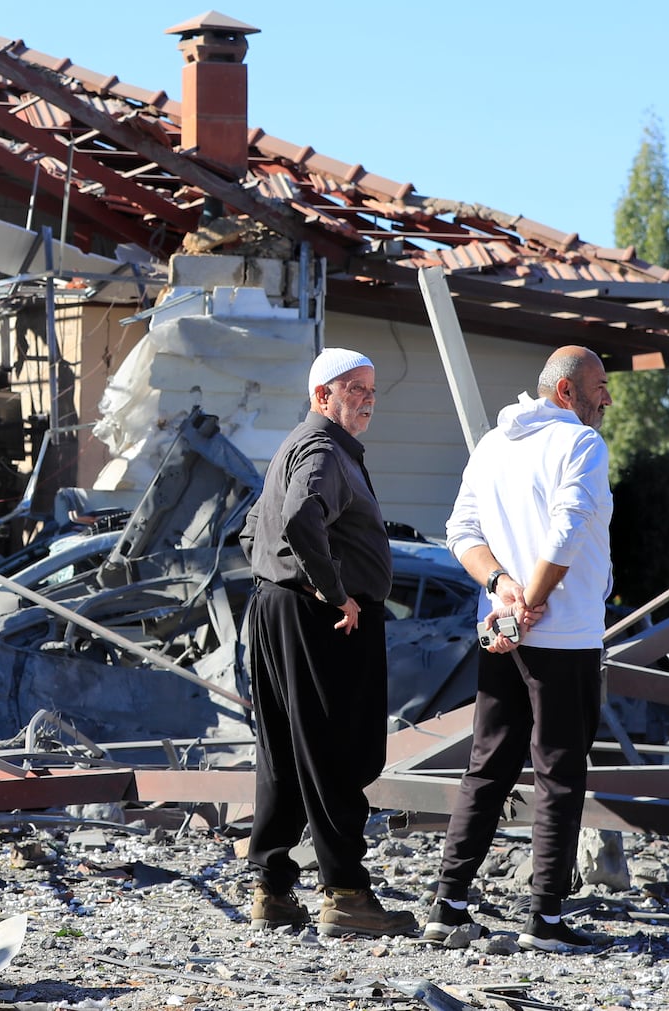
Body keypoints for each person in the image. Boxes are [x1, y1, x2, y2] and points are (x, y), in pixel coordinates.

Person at [422, 345, 614, 952]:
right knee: (560, 772)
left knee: (488, 765)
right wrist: (529, 597)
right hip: (564, 637)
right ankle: (546, 920)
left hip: (501, 631)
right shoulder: (581, 445)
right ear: (566, 392)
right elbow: (568, 527)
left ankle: (448, 905)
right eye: (600, 385)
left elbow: (461, 531)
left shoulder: (492, 444)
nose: (606, 396)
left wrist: (503, 590)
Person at [236, 347, 417, 937]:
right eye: (354, 388)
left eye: (371, 389)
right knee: (334, 750)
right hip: (322, 619)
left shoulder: (298, 446)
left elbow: (250, 529)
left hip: (282, 610)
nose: (367, 399)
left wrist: (278, 584)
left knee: (287, 752)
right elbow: (295, 519)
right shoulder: (322, 450)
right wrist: (334, 592)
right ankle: (346, 894)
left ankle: (273, 887)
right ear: (322, 396)